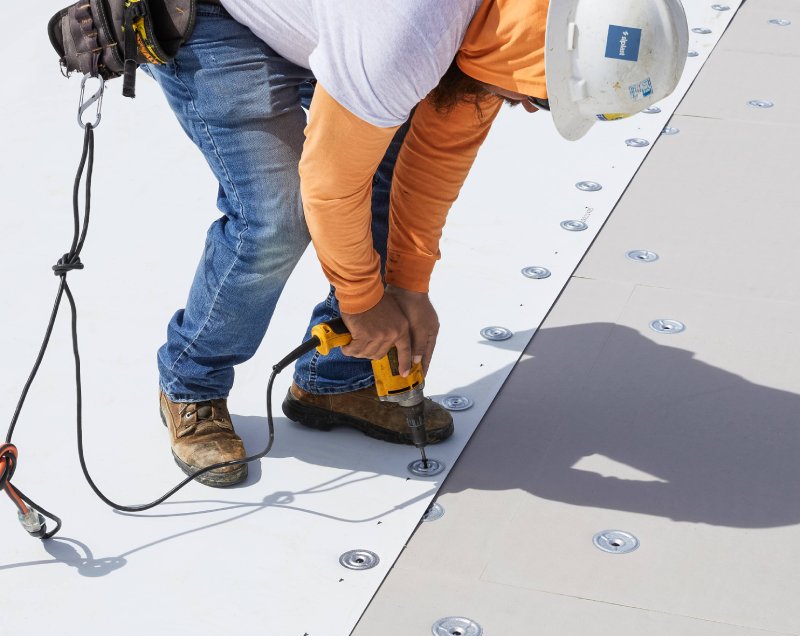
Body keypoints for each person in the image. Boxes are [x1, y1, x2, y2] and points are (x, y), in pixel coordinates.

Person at [147, 0, 687, 486]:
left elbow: (430, 165)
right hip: (207, 15)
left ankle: (337, 381)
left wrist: (408, 288)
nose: (526, 107)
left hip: (330, 21)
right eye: (545, 100)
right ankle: (190, 384)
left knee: (385, 158)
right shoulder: (406, 33)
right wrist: (362, 303)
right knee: (277, 216)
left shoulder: (515, 29)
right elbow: (331, 186)